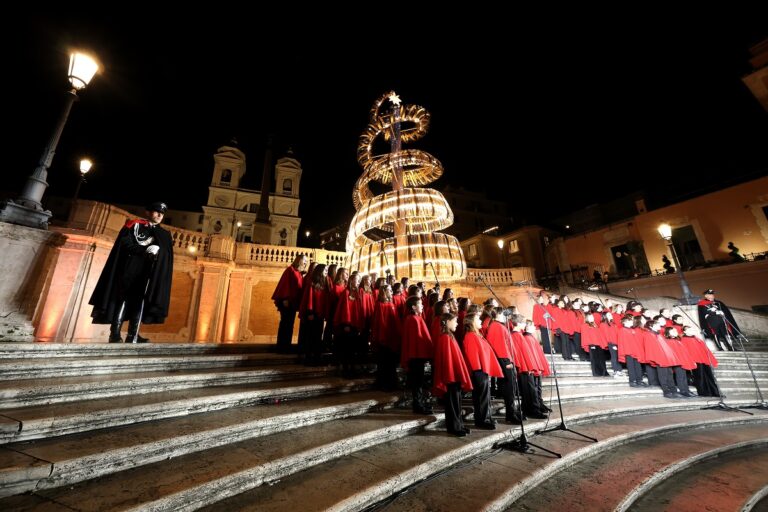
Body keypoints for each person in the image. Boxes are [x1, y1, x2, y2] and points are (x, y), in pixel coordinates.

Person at [89, 202, 174, 344]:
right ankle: (115, 334)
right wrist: (144, 250)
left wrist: (159, 253)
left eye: (162, 213)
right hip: (130, 268)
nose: (160, 215)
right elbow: (125, 244)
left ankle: (133, 334)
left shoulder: (164, 234)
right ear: (148, 212)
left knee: (140, 300)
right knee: (123, 298)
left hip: (149, 272)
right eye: (156, 211)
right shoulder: (133, 225)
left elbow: (167, 255)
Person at [272, 254, 307, 353]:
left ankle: (286, 345)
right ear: (299, 260)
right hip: (287, 302)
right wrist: (285, 299)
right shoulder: (290, 270)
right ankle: (281, 346)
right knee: (285, 323)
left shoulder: (299, 273)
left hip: (293, 303)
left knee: (290, 324)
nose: (306, 263)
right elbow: (285, 284)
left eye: (306, 261)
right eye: (304, 260)